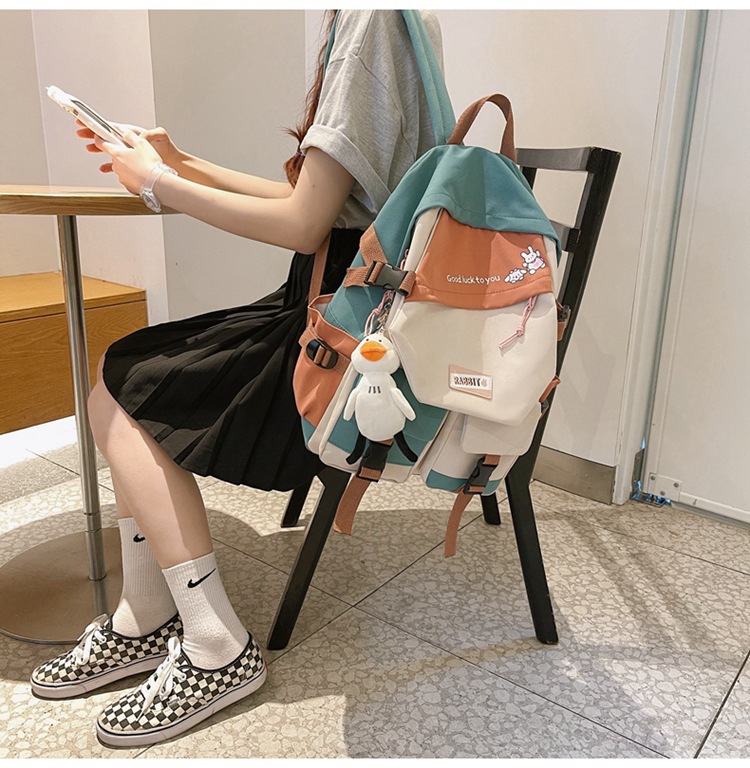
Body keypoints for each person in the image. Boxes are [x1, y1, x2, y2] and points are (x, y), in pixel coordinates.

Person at [30, 9, 446, 748]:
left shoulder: (373, 20)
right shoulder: (391, 18)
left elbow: (303, 225)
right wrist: (181, 161)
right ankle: (147, 612)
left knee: (124, 388)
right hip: (346, 310)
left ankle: (215, 644)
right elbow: (313, 203)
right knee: (120, 373)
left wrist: (161, 183)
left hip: (340, 344)